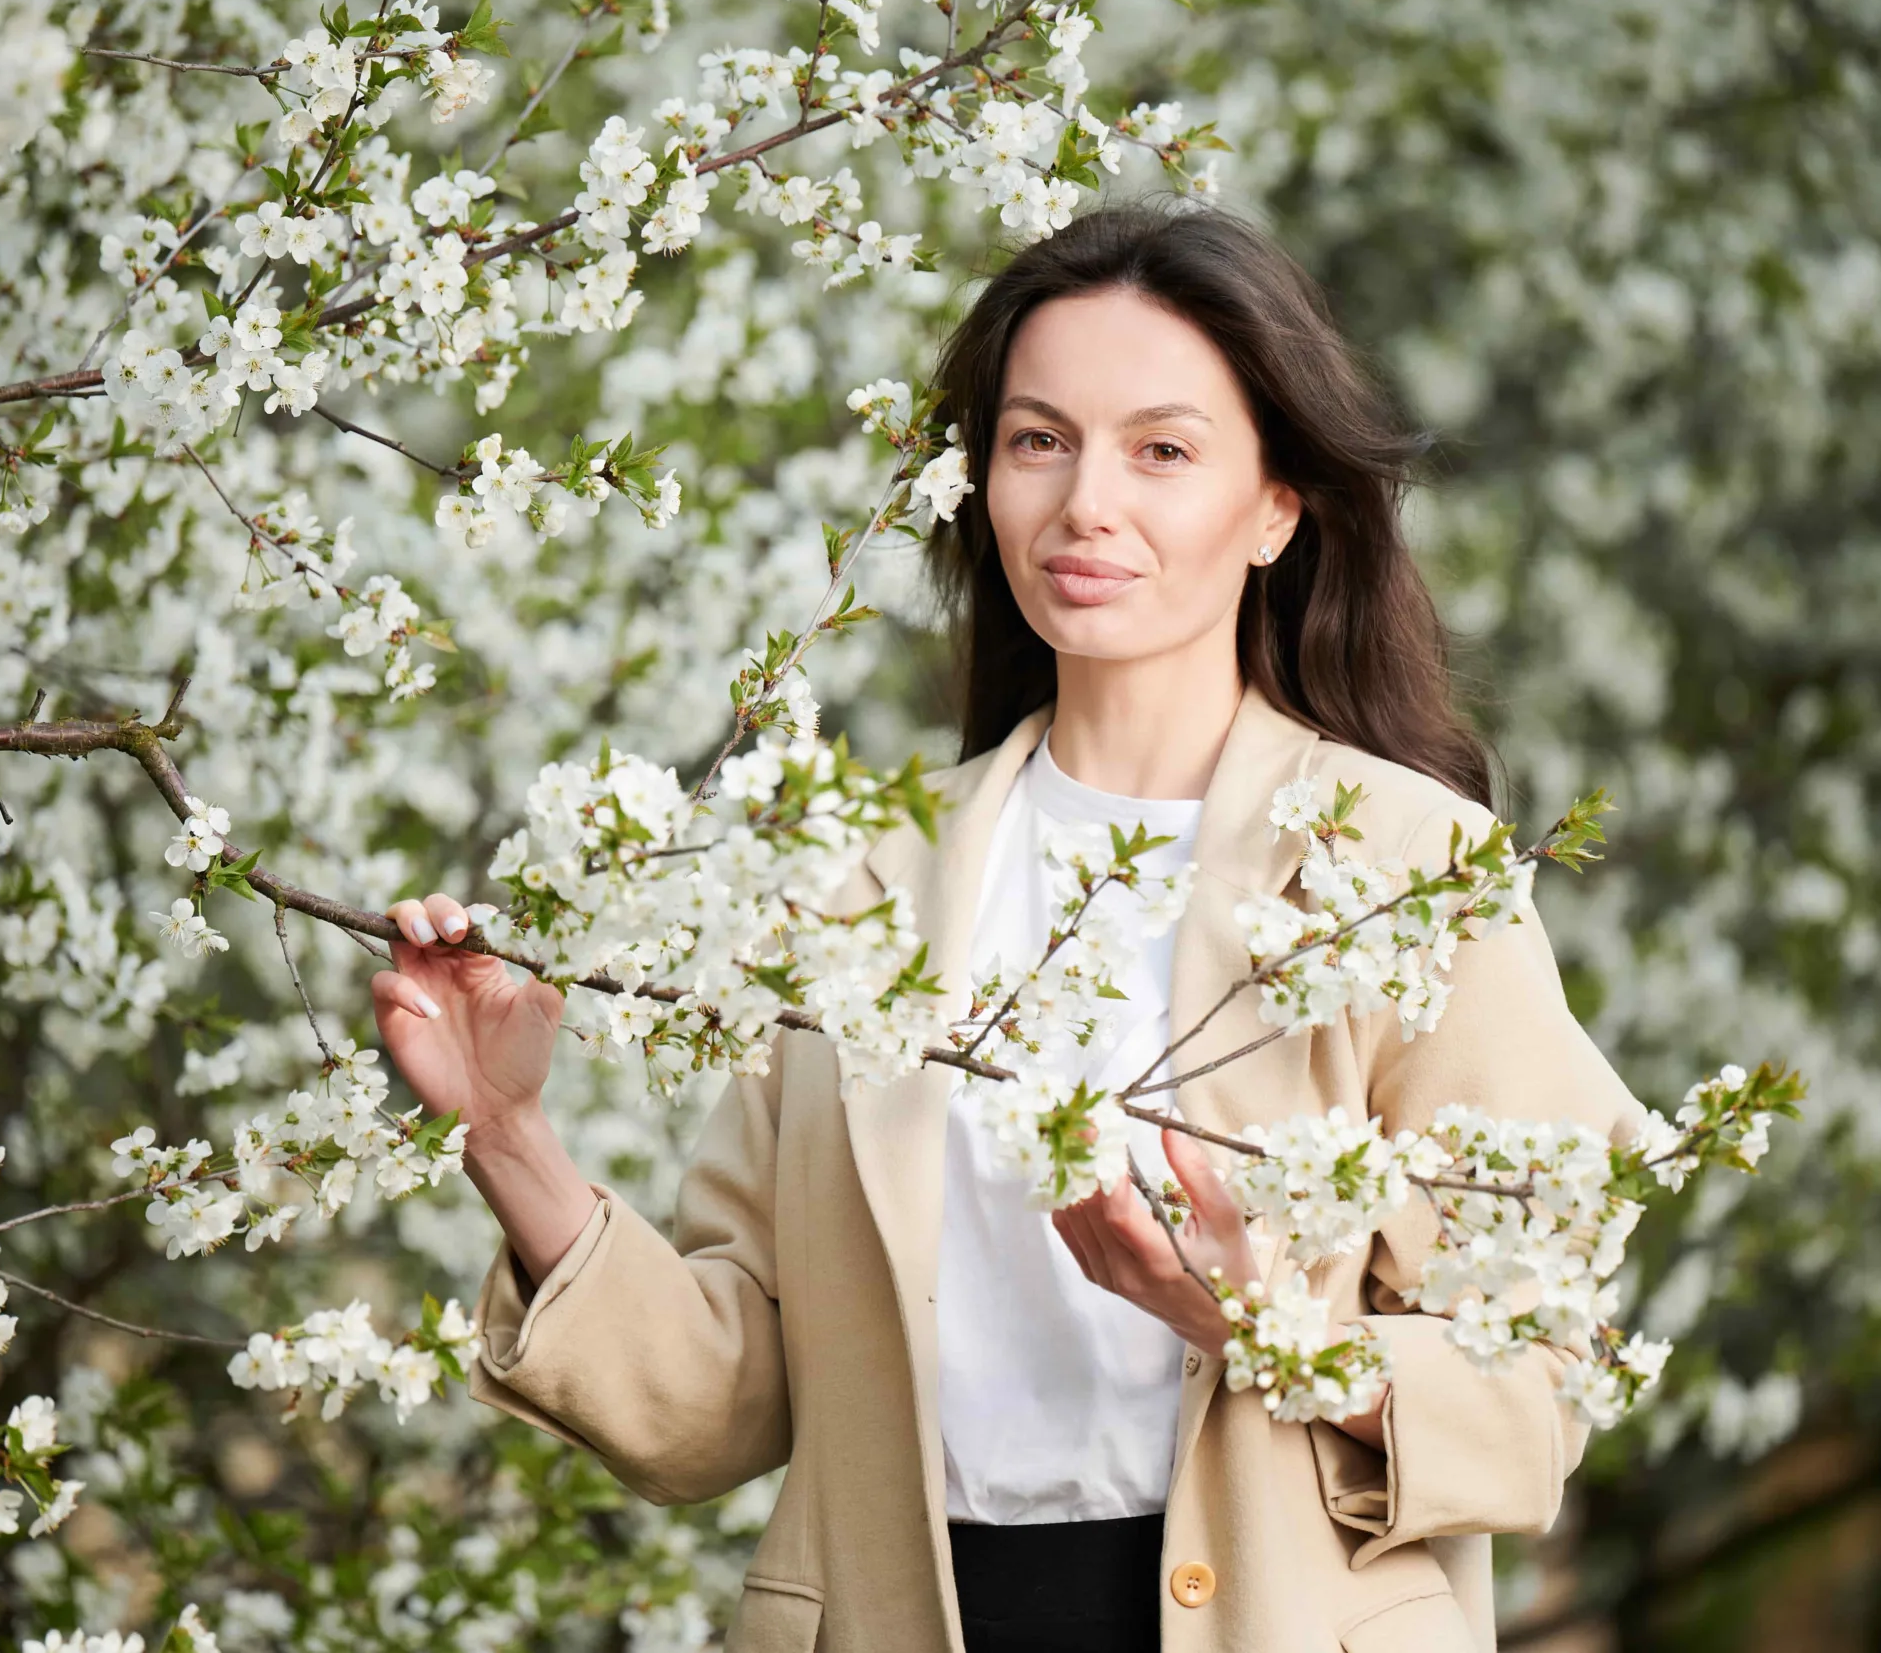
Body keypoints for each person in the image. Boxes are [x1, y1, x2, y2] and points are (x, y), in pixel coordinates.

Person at [369, 203, 1645, 1653]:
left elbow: (1540, 1385)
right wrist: (507, 1137)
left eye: (1162, 450)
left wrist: (1255, 1322)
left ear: (1279, 505)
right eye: (1040, 441)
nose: (1087, 502)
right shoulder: (846, 878)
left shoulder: (1410, 869)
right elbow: (719, 1409)